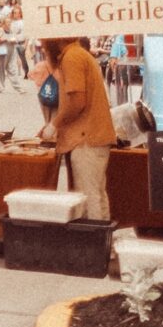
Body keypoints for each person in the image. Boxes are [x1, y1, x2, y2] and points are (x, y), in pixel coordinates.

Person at [41, 37, 115, 220]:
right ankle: (100, 241)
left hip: (86, 139)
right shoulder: (78, 54)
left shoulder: (72, 57)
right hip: (90, 137)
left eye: (44, 42)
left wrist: (54, 124)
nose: (42, 47)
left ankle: (92, 244)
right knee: (96, 195)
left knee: (88, 199)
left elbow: (77, 102)